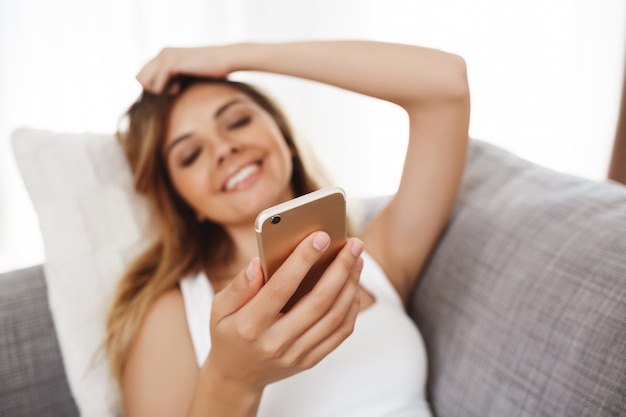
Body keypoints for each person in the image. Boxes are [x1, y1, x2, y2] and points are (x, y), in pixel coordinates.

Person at [105, 40, 470, 417]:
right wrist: (233, 380)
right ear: (182, 202)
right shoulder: (174, 314)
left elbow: (446, 85)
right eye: (190, 155)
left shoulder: (372, 260)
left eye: (237, 121)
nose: (224, 148)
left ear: (285, 138)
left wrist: (234, 56)